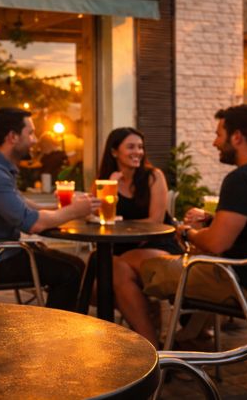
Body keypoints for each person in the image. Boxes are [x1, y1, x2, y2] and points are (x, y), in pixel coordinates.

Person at [117, 104, 247, 346]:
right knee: (179, 260)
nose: (215, 143)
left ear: (237, 137)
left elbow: (215, 243)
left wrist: (187, 233)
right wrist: (214, 221)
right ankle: (190, 336)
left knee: (123, 264)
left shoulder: (242, 178)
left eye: (219, 135)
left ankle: (150, 350)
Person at [0, 107, 100, 311]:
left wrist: (64, 207)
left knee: (74, 265)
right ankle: (56, 329)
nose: (35, 140)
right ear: (13, 137)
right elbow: (33, 224)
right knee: (70, 270)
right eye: (31, 133)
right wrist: (75, 211)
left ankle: (73, 323)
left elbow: (25, 206)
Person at [95, 128, 182, 339]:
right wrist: (111, 187)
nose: (138, 152)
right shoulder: (105, 182)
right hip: (121, 248)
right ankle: (149, 337)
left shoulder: (153, 176)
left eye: (141, 147)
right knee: (94, 284)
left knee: (112, 269)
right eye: (131, 147)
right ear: (114, 152)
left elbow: (155, 221)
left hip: (157, 243)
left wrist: (120, 224)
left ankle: (148, 341)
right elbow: (99, 219)